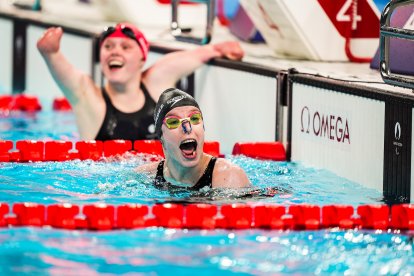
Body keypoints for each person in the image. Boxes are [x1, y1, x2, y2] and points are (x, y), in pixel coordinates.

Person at [37, 22, 244, 141]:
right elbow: (61, 67)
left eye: (126, 47)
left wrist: (218, 49)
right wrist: (50, 52)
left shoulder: (155, 83)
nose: (115, 52)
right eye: (108, 47)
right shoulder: (90, 100)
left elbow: (193, 56)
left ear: (142, 59)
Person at [135, 88, 251, 190]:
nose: (187, 128)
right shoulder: (145, 176)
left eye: (194, 118)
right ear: (161, 136)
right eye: (174, 122)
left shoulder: (228, 178)